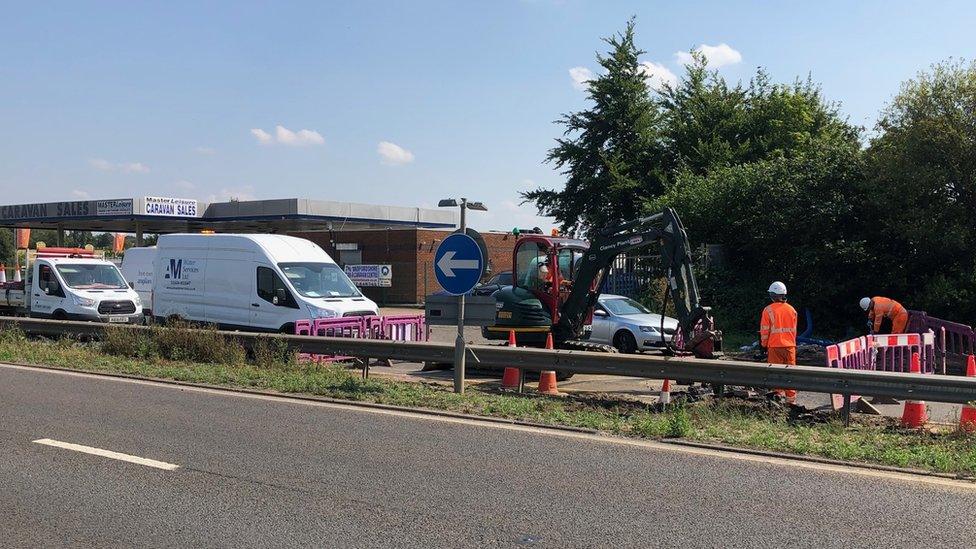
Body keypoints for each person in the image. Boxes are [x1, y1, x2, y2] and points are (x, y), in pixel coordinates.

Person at [760, 281, 798, 404]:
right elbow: (794, 330)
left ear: (773, 294)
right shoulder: (792, 310)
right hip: (790, 346)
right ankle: (791, 402)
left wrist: (764, 345)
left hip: (775, 346)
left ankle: (777, 400)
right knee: (790, 375)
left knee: (776, 374)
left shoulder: (768, 310)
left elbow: (765, 331)